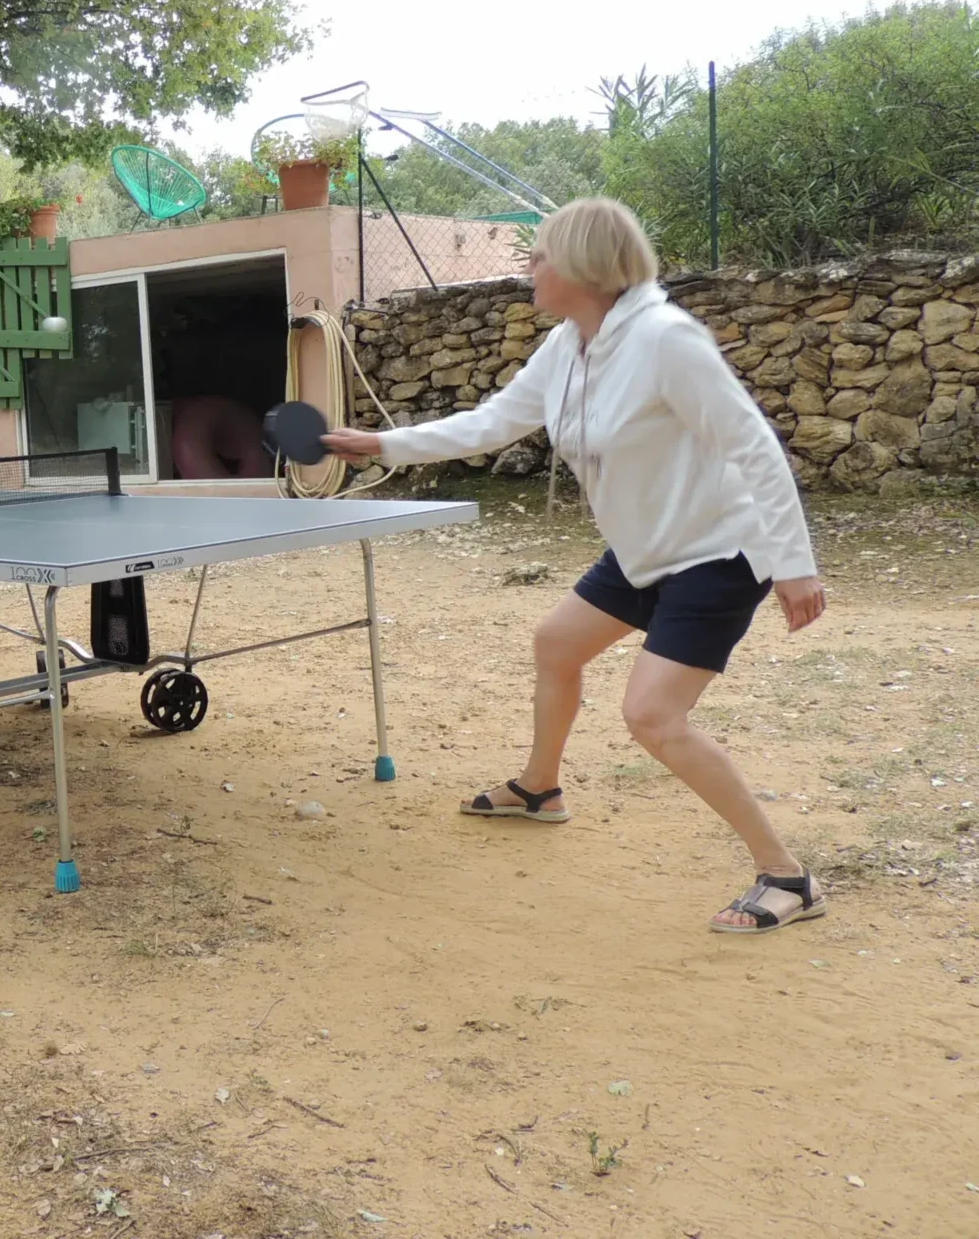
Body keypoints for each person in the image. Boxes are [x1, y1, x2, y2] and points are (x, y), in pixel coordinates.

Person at [321, 198, 831, 934]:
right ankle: (539, 790)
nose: (528, 268)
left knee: (653, 717)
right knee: (556, 645)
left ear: (586, 266)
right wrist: (386, 445)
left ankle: (788, 875)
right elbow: (496, 420)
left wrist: (794, 565)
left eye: (539, 256)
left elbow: (754, 447)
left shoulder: (666, 340)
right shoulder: (571, 344)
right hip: (644, 550)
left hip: (717, 553)